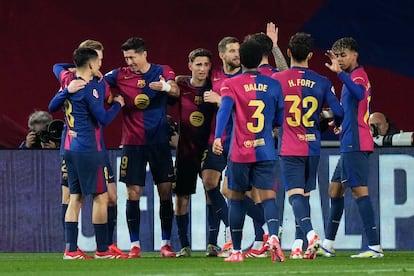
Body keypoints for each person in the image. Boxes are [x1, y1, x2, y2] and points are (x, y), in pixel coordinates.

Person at [104, 37, 179, 258]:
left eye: (132, 57)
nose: (129, 62)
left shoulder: (162, 70)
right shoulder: (119, 74)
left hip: (159, 143)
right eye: (126, 58)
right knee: (132, 193)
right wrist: (110, 97)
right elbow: (100, 81)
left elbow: (175, 90)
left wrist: (165, 86)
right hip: (132, 143)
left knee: (166, 191)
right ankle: (135, 245)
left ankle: (166, 244)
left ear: (144, 53)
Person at [271, 32, 343, 260]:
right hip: (312, 147)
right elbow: (339, 112)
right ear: (311, 55)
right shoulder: (322, 81)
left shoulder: (278, 81)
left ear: (289, 52)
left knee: (295, 196)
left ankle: (311, 235)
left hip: (290, 147)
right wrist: (331, 120)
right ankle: (298, 245)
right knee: (305, 195)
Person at [213, 39, 285, 263]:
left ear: (241, 60)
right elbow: (280, 118)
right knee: (268, 197)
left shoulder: (231, 84)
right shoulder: (274, 84)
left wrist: (217, 137)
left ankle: (235, 251)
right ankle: (273, 236)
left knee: (235, 197)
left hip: (240, 152)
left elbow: (224, 110)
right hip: (266, 150)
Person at [50, 40, 125, 256]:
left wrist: (65, 89)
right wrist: (118, 104)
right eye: (98, 61)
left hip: (70, 148)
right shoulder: (89, 89)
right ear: (91, 65)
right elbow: (103, 118)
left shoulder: (69, 80)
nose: (101, 65)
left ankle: (71, 250)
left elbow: (52, 106)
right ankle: (103, 249)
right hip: (88, 149)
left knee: (76, 198)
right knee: (100, 197)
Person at [318, 37, 384, 258]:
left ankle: (374, 246)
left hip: (355, 142)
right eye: (337, 56)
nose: (340, 60)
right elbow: (352, 110)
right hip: (348, 139)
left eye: (343, 55)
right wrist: (338, 125)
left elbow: (360, 94)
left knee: (359, 191)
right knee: (334, 190)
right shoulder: (351, 77)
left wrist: (339, 74)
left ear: (355, 54)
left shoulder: (357, 76)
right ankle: (328, 243)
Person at [172, 48, 215, 257]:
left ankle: (213, 244)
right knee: (181, 198)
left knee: (212, 194)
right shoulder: (181, 85)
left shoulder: (215, 87)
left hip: (208, 149)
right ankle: (184, 245)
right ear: (190, 66)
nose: (203, 69)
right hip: (185, 150)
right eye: (198, 64)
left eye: (206, 64)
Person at [201, 36, 241, 257]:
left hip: (238, 140)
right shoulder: (214, 74)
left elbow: (242, 105)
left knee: (237, 191)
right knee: (209, 182)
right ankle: (229, 230)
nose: (237, 54)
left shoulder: (245, 77)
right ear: (222, 54)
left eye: (238, 50)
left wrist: (219, 100)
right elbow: (195, 81)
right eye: (232, 51)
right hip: (217, 139)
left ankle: (259, 235)